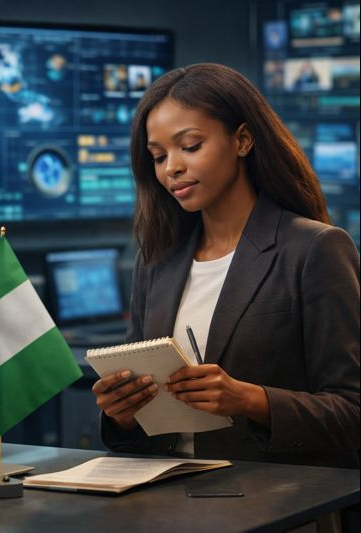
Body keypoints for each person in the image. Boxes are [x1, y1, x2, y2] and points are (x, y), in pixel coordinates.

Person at [91, 63, 359, 468]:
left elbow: (351, 412)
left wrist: (250, 400)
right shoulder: (156, 261)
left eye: (190, 146)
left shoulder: (315, 249)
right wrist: (122, 416)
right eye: (159, 156)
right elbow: (141, 432)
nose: (171, 168)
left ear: (243, 140)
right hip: (163, 498)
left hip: (273, 505)